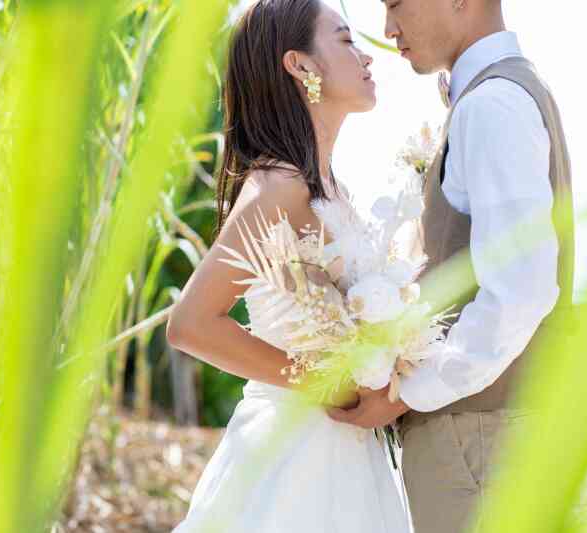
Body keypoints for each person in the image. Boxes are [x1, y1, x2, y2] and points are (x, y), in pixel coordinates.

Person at [327, 1, 575, 532]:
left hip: (479, 438)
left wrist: (406, 392)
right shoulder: (503, 94)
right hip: (492, 433)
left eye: (396, 3)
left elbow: (522, 289)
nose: (388, 28)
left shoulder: (492, 105)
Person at [166, 1, 412, 531]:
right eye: (346, 40)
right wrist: (322, 382)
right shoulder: (279, 188)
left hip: (348, 454)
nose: (368, 57)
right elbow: (190, 324)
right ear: (301, 66)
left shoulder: (329, 188)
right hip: (291, 459)